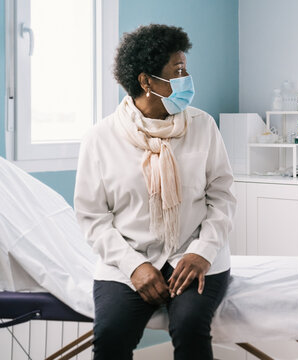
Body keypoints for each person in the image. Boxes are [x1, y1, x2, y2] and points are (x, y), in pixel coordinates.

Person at [74, 24, 236, 359]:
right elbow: (92, 216)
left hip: (192, 255)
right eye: (178, 71)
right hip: (127, 259)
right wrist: (133, 265)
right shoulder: (100, 138)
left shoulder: (203, 126)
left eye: (186, 68)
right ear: (146, 82)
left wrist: (203, 251)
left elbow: (221, 197)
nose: (187, 77)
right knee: (111, 334)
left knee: (191, 327)